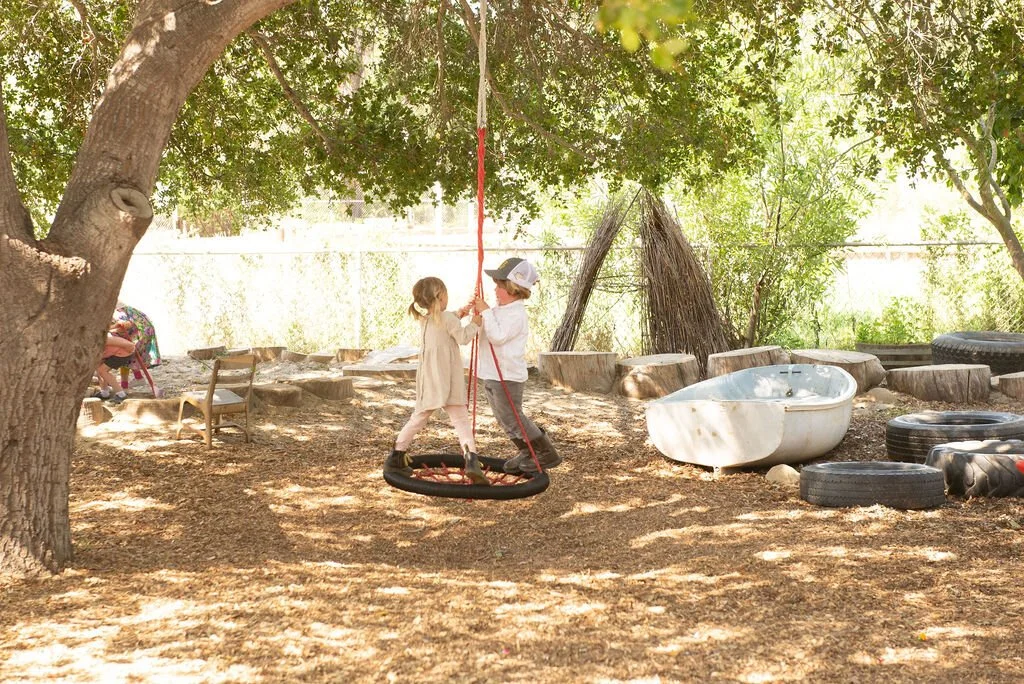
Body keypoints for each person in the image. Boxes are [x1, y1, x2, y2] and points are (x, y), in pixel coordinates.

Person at [385, 277, 490, 485]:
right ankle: (471, 459)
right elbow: (462, 337)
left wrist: (463, 310)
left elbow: (447, 321)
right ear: (441, 296)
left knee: (419, 417)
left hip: (431, 380)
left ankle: (397, 454)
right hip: (449, 379)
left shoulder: (425, 321)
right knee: (461, 420)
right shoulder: (447, 320)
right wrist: (475, 324)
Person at [471, 257, 561, 474]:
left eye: (499, 286)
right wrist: (476, 315)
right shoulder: (500, 309)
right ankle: (527, 451)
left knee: (513, 417)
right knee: (504, 419)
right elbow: (484, 331)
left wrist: (485, 312)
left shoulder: (516, 314)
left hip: (507, 376)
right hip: (492, 373)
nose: (495, 289)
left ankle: (546, 453)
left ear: (513, 288)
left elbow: (498, 337)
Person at [92, 320, 136, 404]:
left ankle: (121, 394)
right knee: (99, 368)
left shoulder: (106, 339)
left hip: (123, 353)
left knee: (103, 371)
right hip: (113, 353)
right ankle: (104, 392)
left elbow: (129, 345)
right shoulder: (99, 338)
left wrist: (129, 350)